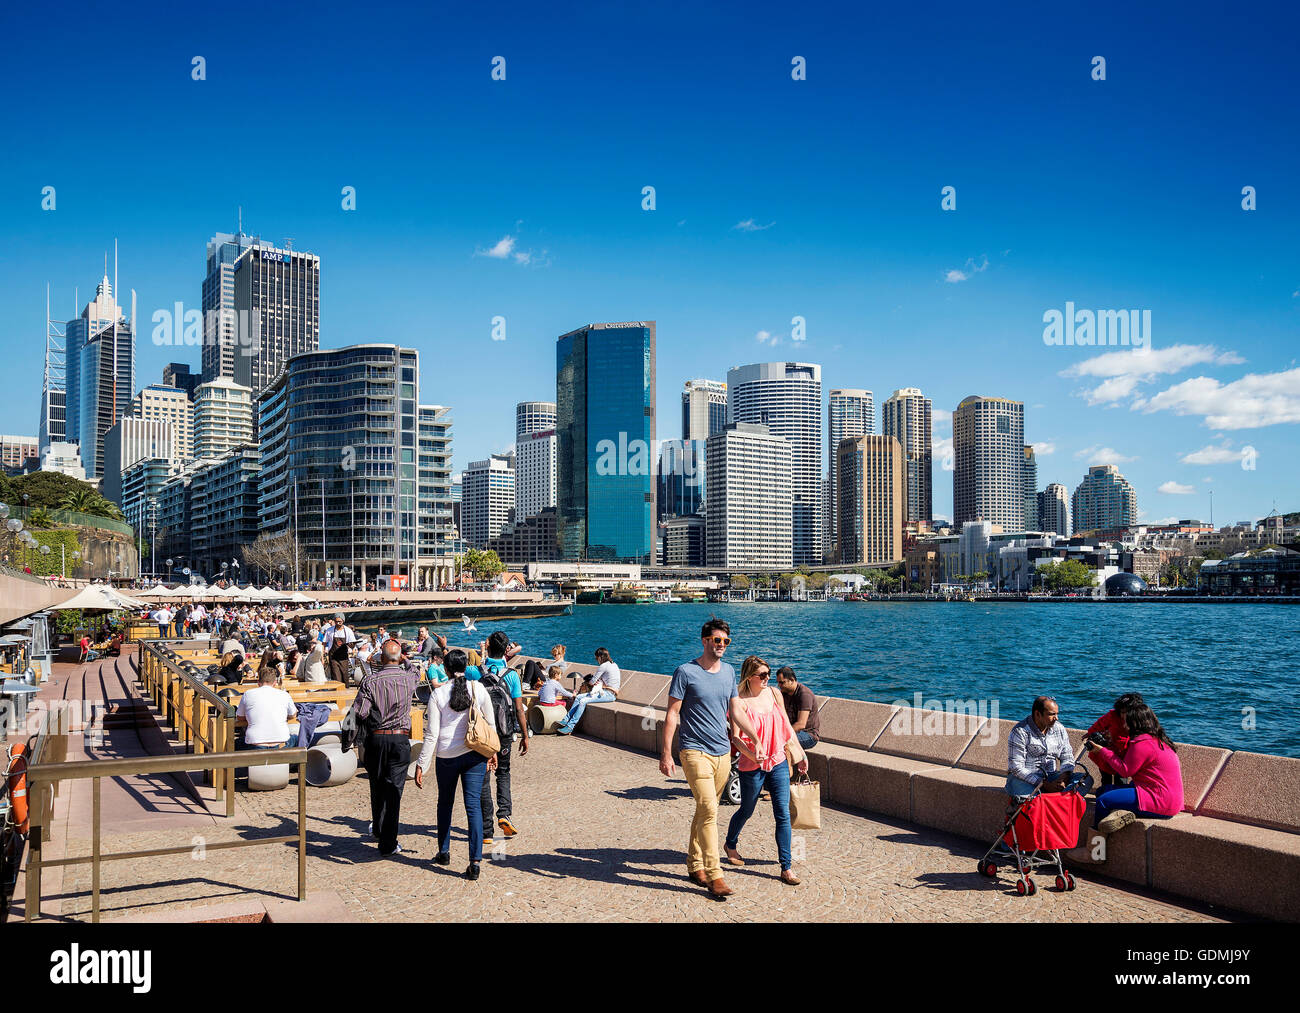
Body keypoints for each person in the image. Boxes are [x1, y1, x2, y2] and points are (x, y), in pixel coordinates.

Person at [660, 618, 767, 900]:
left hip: (722, 753)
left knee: (704, 810)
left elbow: (736, 710)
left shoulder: (729, 672)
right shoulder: (685, 672)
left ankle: (694, 865)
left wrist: (754, 738)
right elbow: (672, 714)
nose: (722, 645)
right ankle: (715, 874)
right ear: (705, 640)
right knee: (709, 809)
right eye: (717, 640)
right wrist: (666, 753)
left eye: (726, 641)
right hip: (693, 751)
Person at [413, 649, 499, 880]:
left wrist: (422, 764)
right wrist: (492, 752)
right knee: (473, 806)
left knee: (445, 804)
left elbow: (431, 734)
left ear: (446, 669)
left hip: (446, 756)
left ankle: (444, 851)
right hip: (475, 754)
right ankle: (475, 860)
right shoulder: (478, 688)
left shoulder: (438, 695)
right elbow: (490, 724)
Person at [724, 656, 806, 885]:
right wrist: (753, 755)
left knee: (783, 812)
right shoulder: (738, 701)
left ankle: (786, 867)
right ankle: (730, 842)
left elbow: (787, 727)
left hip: (778, 760)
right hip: (751, 766)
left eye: (768, 674)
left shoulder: (773, 694)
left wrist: (800, 755)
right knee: (747, 809)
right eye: (762, 675)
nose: (767, 678)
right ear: (749, 676)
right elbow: (737, 740)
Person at [352, 638, 423, 856]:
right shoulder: (408, 679)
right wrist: (405, 660)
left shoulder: (370, 681)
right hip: (399, 739)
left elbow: (360, 712)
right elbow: (417, 672)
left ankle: (380, 830)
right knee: (394, 790)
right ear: (399, 657)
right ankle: (388, 841)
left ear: (382, 658)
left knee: (377, 785)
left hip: (376, 738)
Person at [1086, 698, 1183, 835]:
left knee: (1102, 801)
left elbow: (1125, 771)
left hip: (1158, 801)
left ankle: (1095, 851)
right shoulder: (1157, 739)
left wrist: (1102, 751)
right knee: (1102, 791)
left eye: (1127, 722)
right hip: (1165, 799)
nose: (1124, 725)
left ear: (1135, 723)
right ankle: (1123, 812)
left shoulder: (1142, 743)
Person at [467, 631, 528, 839]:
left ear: (489, 647)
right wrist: (525, 735)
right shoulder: (511, 675)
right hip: (503, 733)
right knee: (503, 772)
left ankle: (486, 831)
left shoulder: (476, 672)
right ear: (506, 650)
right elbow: (519, 709)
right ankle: (504, 814)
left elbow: (455, 673)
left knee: (483, 778)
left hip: (482, 734)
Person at [1005, 696, 1094, 798]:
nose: (1056, 718)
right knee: (1030, 798)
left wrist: (1063, 777)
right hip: (1025, 779)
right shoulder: (1020, 732)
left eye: (1056, 714)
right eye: (1052, 714)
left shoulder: (1059, 728)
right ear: (1038, 714)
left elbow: (1067, 756)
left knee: (1086, 779)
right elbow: (1016, 767)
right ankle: (1058, 801)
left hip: (1051, 776)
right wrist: (1044, 784)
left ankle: (1058, 801)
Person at [554, 647, 620, 735]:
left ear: (600, 657)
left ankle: (570, 726)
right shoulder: (614, 664)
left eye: (596, 658)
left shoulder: (603, 666)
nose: (597, 660)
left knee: (583, 701)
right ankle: (565, 720)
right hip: (608, 692)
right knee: (578, 697)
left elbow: (592, 682)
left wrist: (591, 680)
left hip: (609, 694)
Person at [1086, 693, 1140, 789]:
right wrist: (1090, 732)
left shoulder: (1138, 721)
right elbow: (1099, 724)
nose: (1124, 715)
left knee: (1122, 781)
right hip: (1108, 754)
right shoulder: (1112, 716)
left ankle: (1119, 799)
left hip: (1124, 757)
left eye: (1127, 712)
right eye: (1122, 712)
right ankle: (1104, 796)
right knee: (1106, 779)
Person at [235, 667, 298, 748]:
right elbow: (293, 714)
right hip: (280, 743)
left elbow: (240, 717)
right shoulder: (284, 695)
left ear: (258, 682)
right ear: (275, 683)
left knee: (234, 743)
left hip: (255, 743)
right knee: (297, 738)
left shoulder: (248, 694)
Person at [775, 666, 820, 751]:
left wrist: (782, 734)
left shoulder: (804, 695)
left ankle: (792, 764)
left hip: (808, 735)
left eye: (782, 682)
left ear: (792, 680)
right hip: (792, 731)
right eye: (778, 683)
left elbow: (801, 724)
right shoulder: (784, 693)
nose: (779, 685)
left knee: (780, 742)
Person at [323, 614, 356, 682]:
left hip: (343, 657)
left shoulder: (348, 631)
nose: (338, 623)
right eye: (336, 621)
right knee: (336, 676)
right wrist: (323, 652)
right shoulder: (329, 630)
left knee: (344, 676)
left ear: (343, 621)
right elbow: (324, 642)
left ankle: (345, 691)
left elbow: (353, 644)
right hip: (333, 657)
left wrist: (351, 645)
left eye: (339, 621)